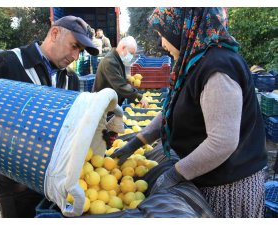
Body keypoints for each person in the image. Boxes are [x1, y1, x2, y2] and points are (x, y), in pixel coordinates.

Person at [110, 7, 267, 218]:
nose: (162, 44)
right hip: (205, 178)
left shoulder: (218, 67)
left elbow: (222, 142)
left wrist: (175, 174)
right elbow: (171, 109)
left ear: (183, 27)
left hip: (227, 187)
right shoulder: (194, 61)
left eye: (162, 35)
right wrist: (139, 140)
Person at [0, 15, 99, 218]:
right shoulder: (8, 63)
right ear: (54, 33)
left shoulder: (71, 79)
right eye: (74, 46)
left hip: (54, 183)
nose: (76, 56)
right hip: (14, 184)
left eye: (80, 51)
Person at [92, 36, 148, 107]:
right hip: (101, 106)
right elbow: (120, 85)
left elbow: (117, 78)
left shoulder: (117, 59)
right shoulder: (109, 61)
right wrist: (139, 96)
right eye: (131, 53)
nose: (131, 57)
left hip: (108, 103)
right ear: (123, 47)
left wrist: (127, 79)